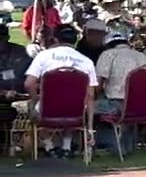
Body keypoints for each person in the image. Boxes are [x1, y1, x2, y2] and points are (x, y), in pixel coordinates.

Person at [24, 24, 97, 157]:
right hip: (76, 113)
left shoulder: (43, 56)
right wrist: (90, 129)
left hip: (47, 112)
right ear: (75, 40)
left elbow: (29, 84)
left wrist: (36, 102)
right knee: (70, 100)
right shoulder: (87, 61)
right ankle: (66, 147)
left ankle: (49, 146)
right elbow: (91, 95)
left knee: (31, 106)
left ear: (55, 40)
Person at [94, 31, 146, 155]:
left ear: (108, 45)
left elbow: (98, 84)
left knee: (88, 108)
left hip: (117, 105)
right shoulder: (141, 56)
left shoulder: (108, 54)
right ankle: (121, 145)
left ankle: (100, 145)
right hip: (142, 105)